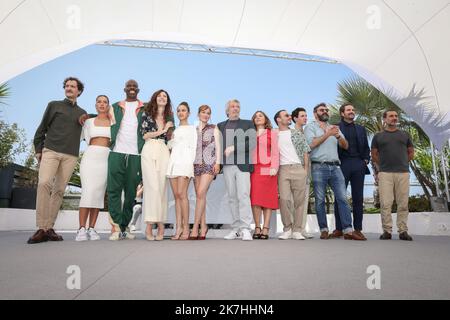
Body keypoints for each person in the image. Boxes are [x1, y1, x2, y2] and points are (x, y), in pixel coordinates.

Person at [28, 77, 87, 244]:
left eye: (72, 86)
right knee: (44, 183)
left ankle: (49, 228)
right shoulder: (54, 105)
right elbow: (42, 128)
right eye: (67, 86)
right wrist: (38, 149)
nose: (69, 88)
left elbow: (97, 120)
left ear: (79, 91)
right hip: (51, 151)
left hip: (70, 155)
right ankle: (41, 227)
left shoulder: (82, 113)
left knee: (59, 190)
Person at [304, 103, 364, 240]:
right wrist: (328, 134)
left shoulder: (334, 127)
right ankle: (324, 229)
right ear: (315, 113)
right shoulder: (310, 127)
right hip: (319, 166)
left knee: (342, 198)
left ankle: (348, 230)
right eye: (321, 110)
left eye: (326, 110)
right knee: (319, 200)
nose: (325, 112)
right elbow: (311, 144)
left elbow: (346, 145)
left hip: (336, 167)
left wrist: (337, 136)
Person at [101, 79, 146, 241]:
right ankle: (115, 227)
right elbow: (102, 115)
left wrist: (170, 125)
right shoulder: (115, 106)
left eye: (134, 86)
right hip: (117, 152)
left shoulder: (145, 108)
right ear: (124, 89)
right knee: (113, 190)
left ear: (138, 90)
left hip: (136, 154)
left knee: (130, 192)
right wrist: (87, 116)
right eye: (129, 86)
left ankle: (125, 226)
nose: (132, 88)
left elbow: (164, 112)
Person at [371, 110, 414, 241]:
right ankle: (387, 231)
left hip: (403, 173)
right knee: (385, 203)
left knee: (403, 203)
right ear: (385, 119)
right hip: (385, 173)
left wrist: (401, 163)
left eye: (396, 116)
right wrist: (383, 166)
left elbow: (411, 153)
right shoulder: (378, 136)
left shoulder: (405, 135)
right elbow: (374, 154)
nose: (394, 118)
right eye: (391, 116)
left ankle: (403, 231)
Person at [217, 99, 256, 241]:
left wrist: (234, 148)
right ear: (227, 110)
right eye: (232, 106)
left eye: (238, 106)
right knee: (232, 198)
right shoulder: (220, 126)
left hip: (243, 165)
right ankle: (236, 229)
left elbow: (252, 142)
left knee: (243, 196)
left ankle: (246, 228)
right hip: (227, 166)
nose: (235, 108)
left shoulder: (247, 124)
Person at [331, 103, 370, 240]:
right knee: (340, 197)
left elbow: (366, 146)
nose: (351, 112)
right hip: (342, 164)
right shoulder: (335, 127)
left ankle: (358, 229)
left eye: (353, 110)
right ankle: (339, 229)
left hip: (358, 164)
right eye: (348, 110)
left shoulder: (360, 129)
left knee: (358, 198)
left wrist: (365, 160)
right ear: (342, 113)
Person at [76, 95, 111, 241]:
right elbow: (76, 137)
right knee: (88, 192)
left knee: (98, 193)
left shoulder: (113, 123)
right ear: (95, 104)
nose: (102, 104)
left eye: (105, 102)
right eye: (99, 101)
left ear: (108, 105)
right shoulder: (88, 122)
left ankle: (92, 228)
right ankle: (81, 229)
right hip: (90, 157)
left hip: (106, 158)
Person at [141, 89, 174, 241]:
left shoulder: (170, 118)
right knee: (151, 187)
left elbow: (170, 139)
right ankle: (149, 225)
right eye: (159, 96)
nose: (162, 98)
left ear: (167, 101)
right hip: (149, 148)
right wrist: (163, 129)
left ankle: (161, 225)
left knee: (161, 188)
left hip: (163, 150)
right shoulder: (147, 114)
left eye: (165, 96)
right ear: (155, 99)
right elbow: (145, 135)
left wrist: (168, 130)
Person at [274, 110, 310, 240]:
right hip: (282, 170)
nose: (289, 117)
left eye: (290, 115)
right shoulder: (274, 134)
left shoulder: (296, 133)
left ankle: (297, 230)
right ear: (278, 119)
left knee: (299, 201)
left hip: (298, 168)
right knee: (284, 200)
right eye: (286, 115)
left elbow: (305, 150)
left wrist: (305, 170)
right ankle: (287, 229)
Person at [167, 102, 197, 240]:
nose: (181, 113)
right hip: (173, 162)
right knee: (176, 196)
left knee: (182, 194)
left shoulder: (192, 129)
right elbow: (171, 147)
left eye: (183, 110)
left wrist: (189, 164)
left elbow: (193, 148)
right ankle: (178, 227)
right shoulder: (175, 130)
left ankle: (186, 228)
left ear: (188, 113)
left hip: (185, 163)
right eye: (178, 110)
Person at [190, 105, 221, 240]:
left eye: (208, 113)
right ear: (198, 114)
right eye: (203, 112)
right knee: (199, 196)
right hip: (195, 164)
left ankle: (195, 227)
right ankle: (204, 225)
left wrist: (218, 163)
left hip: (209, 164)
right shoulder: (193, 130)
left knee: (201, 193)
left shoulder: (214, 128)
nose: (206, 115)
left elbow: (219, 147)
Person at [250, 111, 279, 240]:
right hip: (254, 169)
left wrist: (274, 167)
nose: (258, 118)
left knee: (267, 199)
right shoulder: (249, 135)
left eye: (260, 116)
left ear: (265, 119)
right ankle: (257, 226)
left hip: (268, 169)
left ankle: (266, 228)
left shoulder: (271, 134)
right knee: (255, 199)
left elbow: (275, 152)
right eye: (256, 116)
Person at [291, 107, 313, 239]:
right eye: (302, 116)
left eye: (306, 115)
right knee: (292, 200)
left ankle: (301, 228)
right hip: (294, 168)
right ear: (295, 118)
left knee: (304, 199)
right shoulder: (290, 133)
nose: (305, 118)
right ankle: (293, 228)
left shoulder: (307, 133)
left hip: (306, 168)